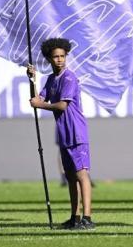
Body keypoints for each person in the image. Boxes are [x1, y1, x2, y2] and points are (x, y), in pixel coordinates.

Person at [28, 38, 94, 230]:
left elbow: (62, 105)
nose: (60, 60)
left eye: (62, 56)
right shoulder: (50, 79)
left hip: (77, 131)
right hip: (64, 133)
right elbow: (37, 98)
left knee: (82, 175)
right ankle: (75, 217)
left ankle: (87, 218)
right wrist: (31, 79)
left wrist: (41, 105)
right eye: (55, 57)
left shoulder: (69, 78)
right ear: (49, 58)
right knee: (71, 177)